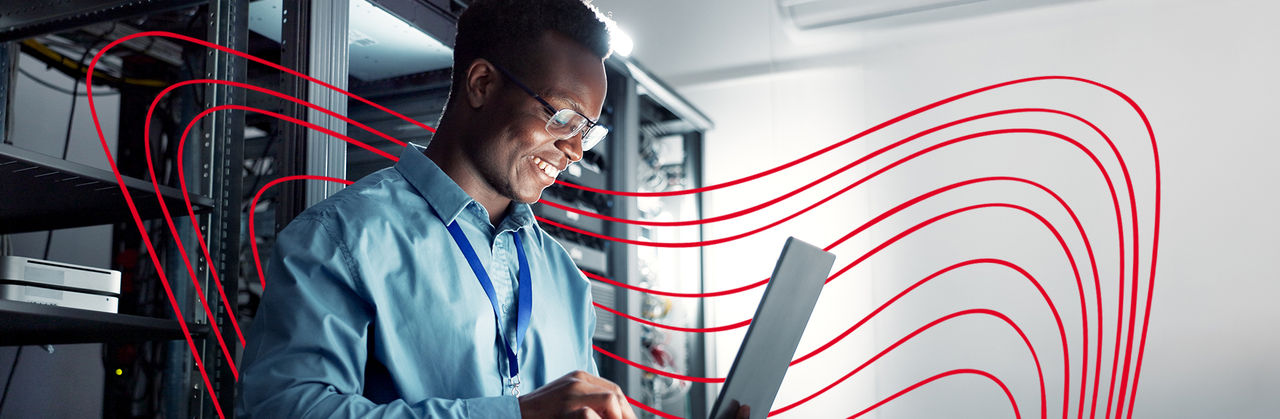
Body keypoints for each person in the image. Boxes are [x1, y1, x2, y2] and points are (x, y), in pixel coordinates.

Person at [236, 0, 639, 417]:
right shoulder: (343, 237)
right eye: (564, 118)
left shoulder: (565, 279)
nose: (574, 150)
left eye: (586, 132)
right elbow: (282, 408)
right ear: (482, 84)